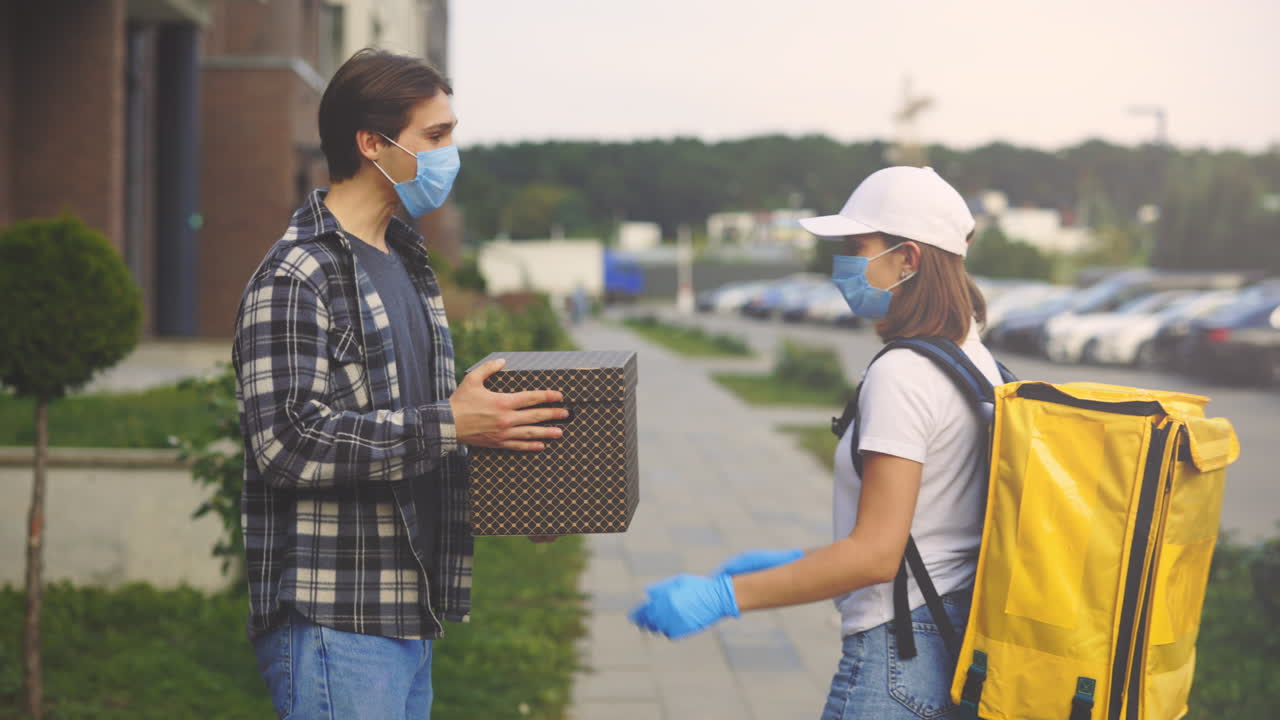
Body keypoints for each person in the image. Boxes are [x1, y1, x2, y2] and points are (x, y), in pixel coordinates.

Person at [231, 49, 566, 720]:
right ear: (372, 144)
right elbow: (287, 442)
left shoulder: (406, 262)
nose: (451, 154)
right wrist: (452, 422)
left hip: (407, 613)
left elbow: (422, 426)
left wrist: (519, 499)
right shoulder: (296, 275)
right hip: (335, 620)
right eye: (436, 136)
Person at [629, 167, 998, 720]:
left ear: (909, 259)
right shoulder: (976, 360)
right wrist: (797, 561)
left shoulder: (905, 374)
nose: (843, 265)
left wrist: (726, 599)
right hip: (947, 640)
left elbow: (876, 555)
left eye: (856, 246)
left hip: (896, 658)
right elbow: (932, 527)